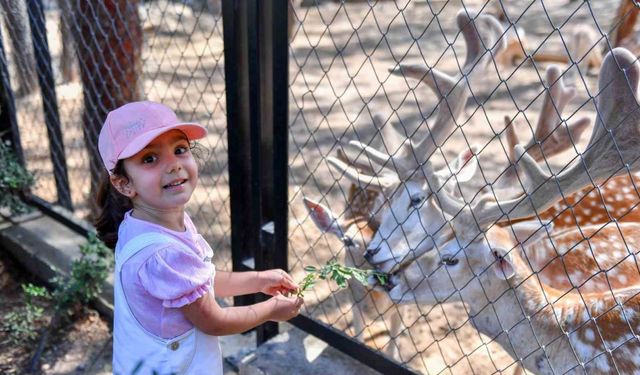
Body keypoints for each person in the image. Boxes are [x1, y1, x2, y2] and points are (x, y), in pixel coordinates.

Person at [94, 101, 303, 374]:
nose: (173, 165)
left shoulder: (139, 224)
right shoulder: (163, 253)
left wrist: (258, 280)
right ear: (124, 183)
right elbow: (214, 321)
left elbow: (198, 281)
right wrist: (271, 310)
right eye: (150, 159)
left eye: (180, 150)